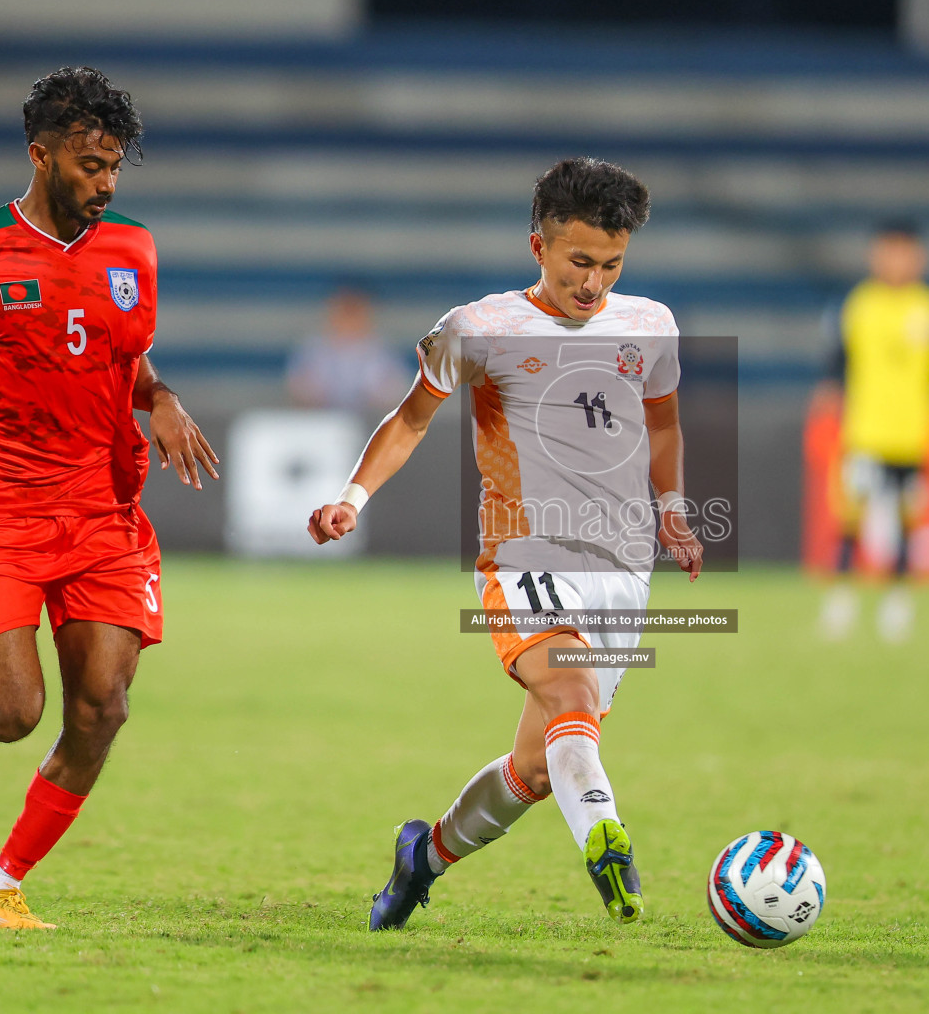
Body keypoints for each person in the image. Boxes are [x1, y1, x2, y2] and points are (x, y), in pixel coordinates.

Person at [308, 157, 703, 929]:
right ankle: (607, 841)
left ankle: (421, 858)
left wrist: (675, 508)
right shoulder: (479, 328)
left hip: (622, 568)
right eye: (579, 262)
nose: (594, 283)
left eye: (612, 265)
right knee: (569, 695)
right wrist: (353, 497)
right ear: (539, 247)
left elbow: (663, 422)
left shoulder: (650, 324)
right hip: (525, 558)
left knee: (539, 765)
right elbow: (412, 418)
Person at [0, 66, 218, 930]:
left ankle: (1, 882)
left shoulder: (134, 249)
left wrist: (162, 398)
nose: (105, 184)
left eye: (114, 170)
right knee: (12, 716)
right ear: (41, 155)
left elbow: (119, 357)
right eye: (90, 165)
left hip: (102, 511)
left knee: (104, 706)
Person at [818, 219, 929, 643]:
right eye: (888, 251)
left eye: (903, 252)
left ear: (918, 258)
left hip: (913, 436)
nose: (895, 261)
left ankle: (898, 600)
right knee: (852, 517)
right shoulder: (859, 305)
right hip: (866, 433)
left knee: (907, 520)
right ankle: (842, 597)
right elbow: (838, 367)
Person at [285, 288, 410, 417]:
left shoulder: (384, 351)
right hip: (323, 423)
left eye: (354, 311)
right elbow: (300, 392)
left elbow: (395, 396)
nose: (348, 319)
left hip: (371, 425)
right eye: (344, 311)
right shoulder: (312, 349)